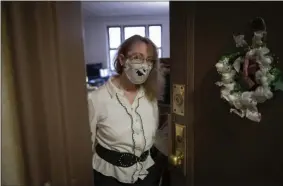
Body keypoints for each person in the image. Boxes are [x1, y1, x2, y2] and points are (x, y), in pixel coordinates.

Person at [88, 35, 164, 186]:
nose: (144, 65)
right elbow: (85, 147)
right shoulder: (96, 99)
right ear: (122, 60)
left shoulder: (150, 97)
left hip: (146, 175)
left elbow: (152, 136)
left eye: (149, 60)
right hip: (108, 177)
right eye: (137, 57)